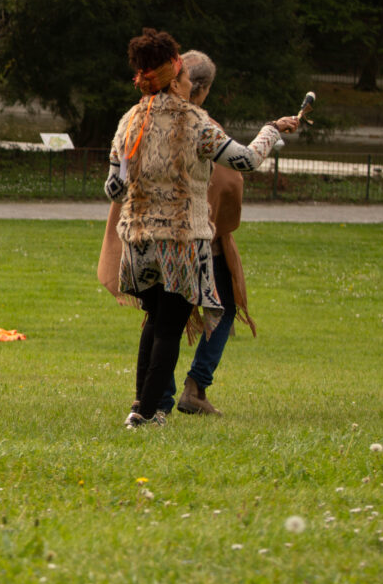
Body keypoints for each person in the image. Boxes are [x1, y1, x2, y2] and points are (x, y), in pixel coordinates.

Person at [104, 28, 296, 429]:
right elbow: (244, 160)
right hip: (180, 240)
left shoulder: (129, 118)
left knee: (154, 321)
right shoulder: (195, 121)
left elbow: (113, 184)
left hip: (137, 240)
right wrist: (271, 131)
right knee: (170, 327)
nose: (191, 81)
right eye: (186, 76)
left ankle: (141, 403)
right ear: (174, 80)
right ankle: (148, 412)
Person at [168, 50, 257, 417]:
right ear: (199, 89)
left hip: (161, 237)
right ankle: (195, 386)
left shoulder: (149, 118)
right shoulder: (202, 125)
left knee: (166, 315)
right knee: (221, 308)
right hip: (203, 239)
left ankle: (157, 395)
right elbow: (232, 178)